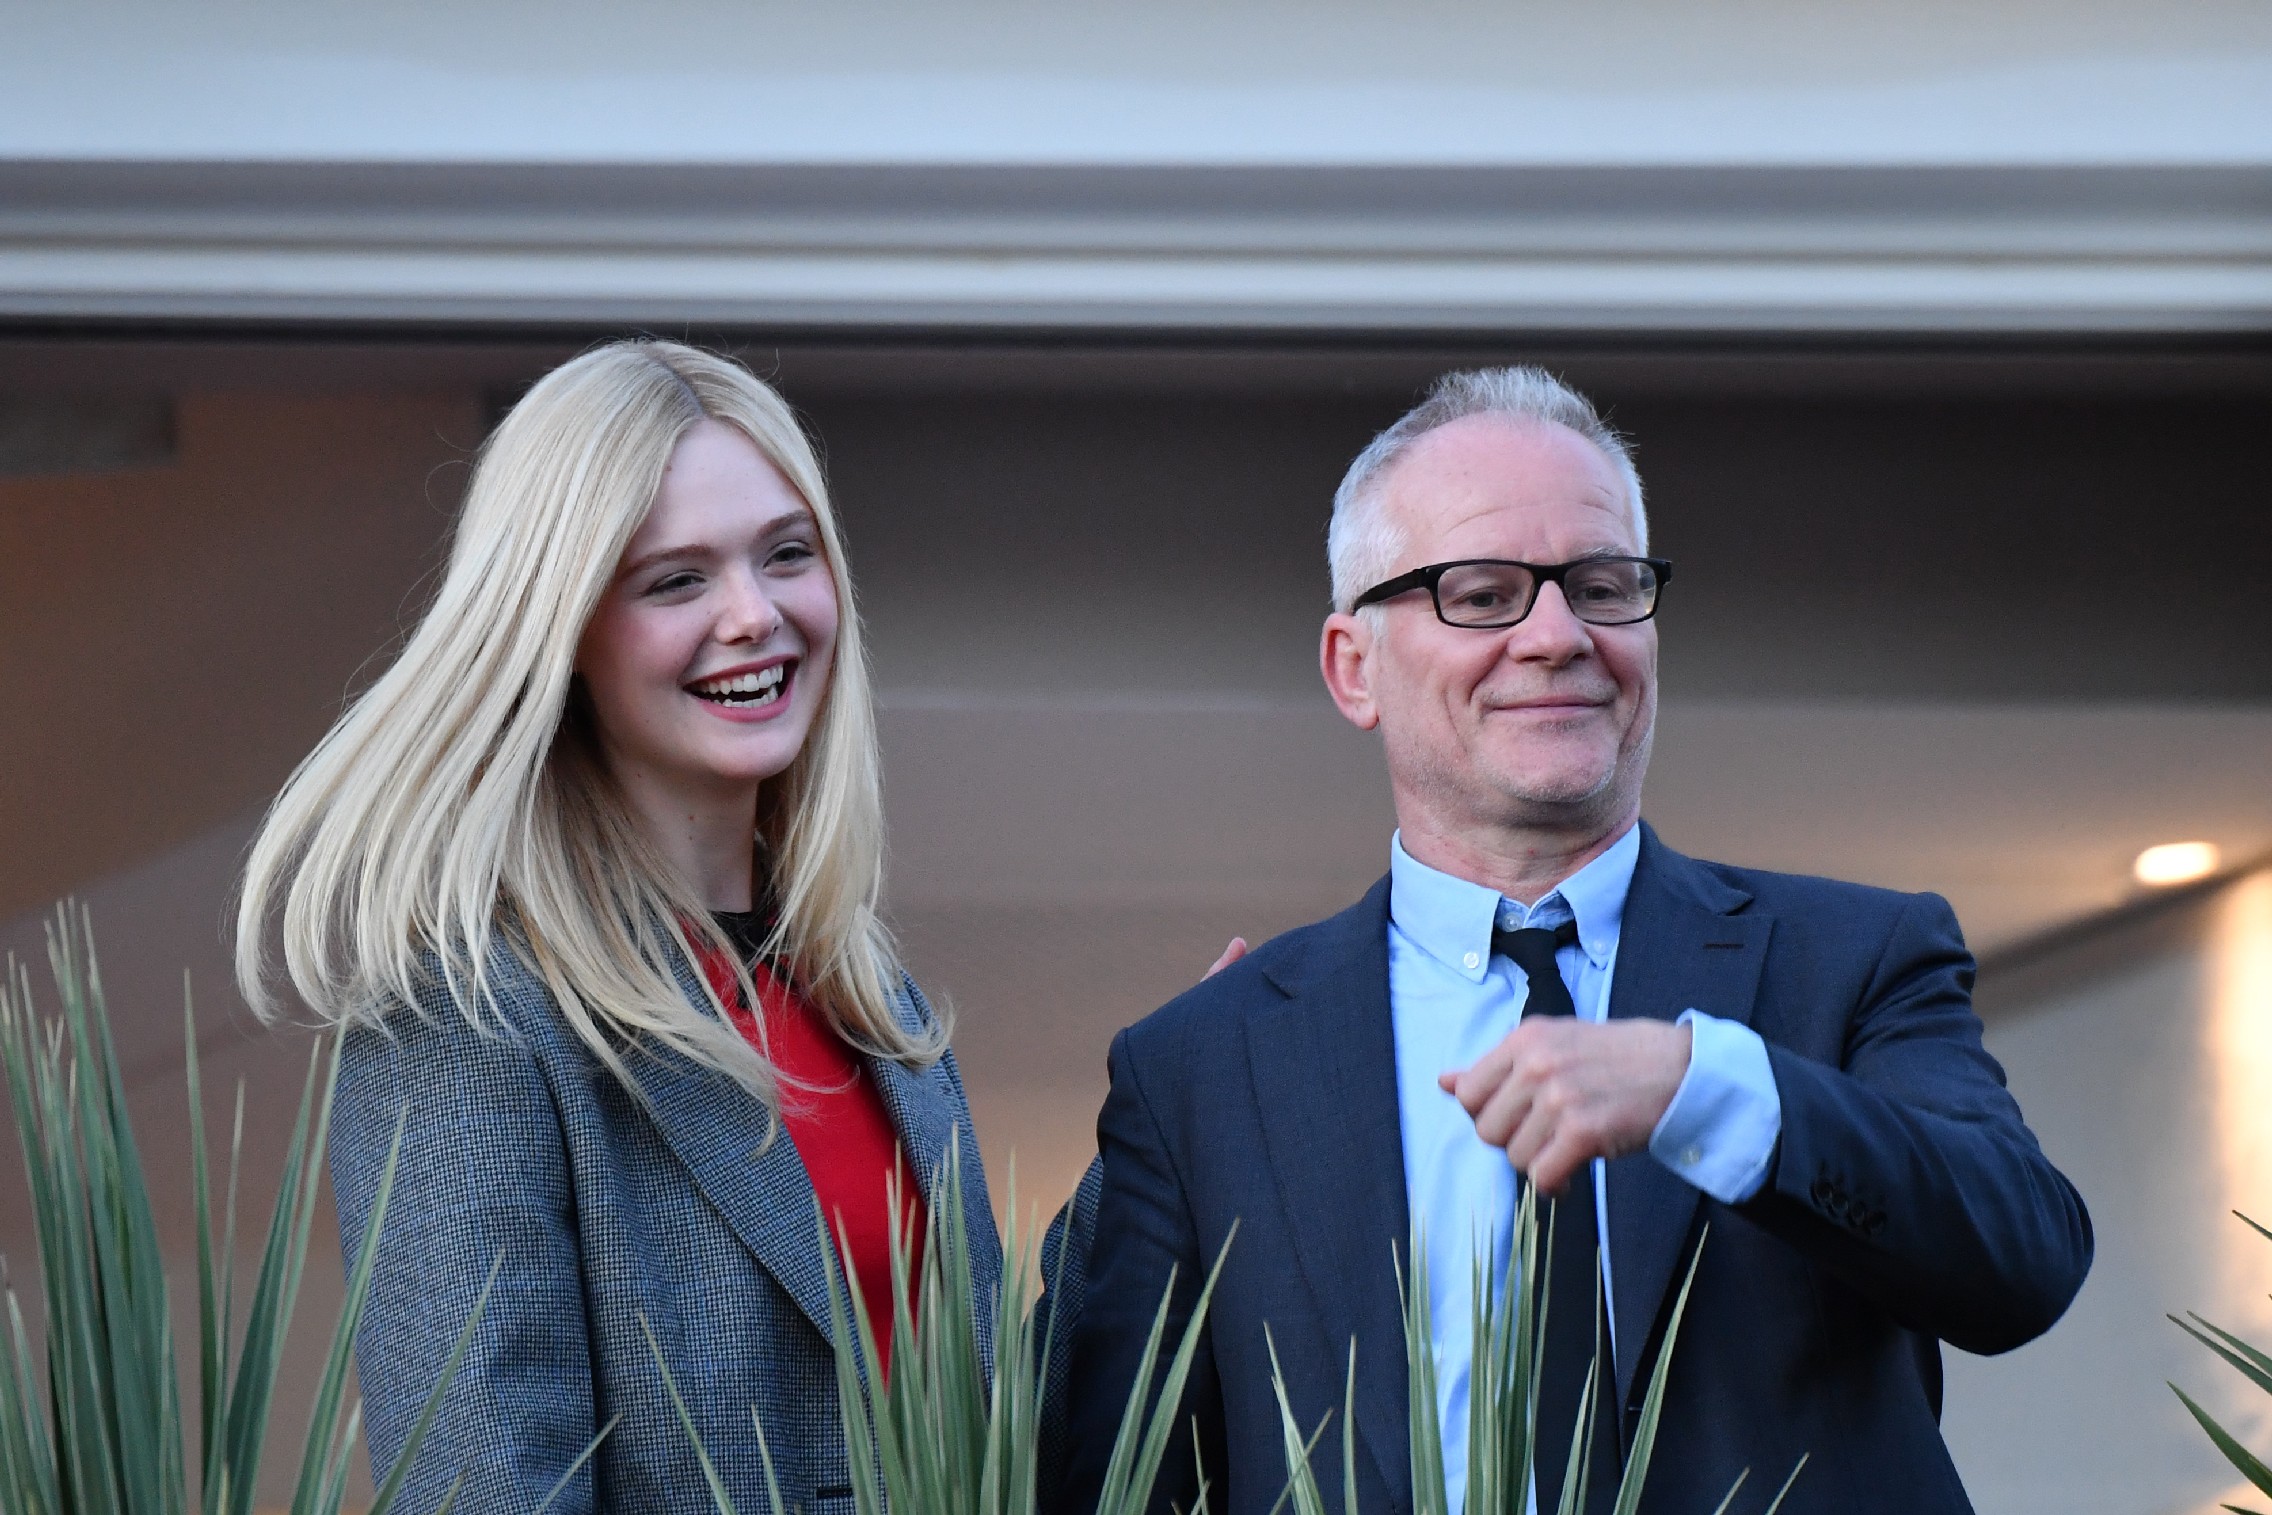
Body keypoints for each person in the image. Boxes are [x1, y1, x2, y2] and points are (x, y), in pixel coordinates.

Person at [1057, 368, 2094, 1515]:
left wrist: (1704, 1088)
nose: (1557, 636)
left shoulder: (1852, 958)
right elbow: (1091, 1475)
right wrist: (1183, 1100)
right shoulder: (1206, 1068)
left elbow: (2022, 1257)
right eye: (1482, 594)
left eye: (1602, 587)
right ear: (1355, 669)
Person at [236, 340, 997, 1512]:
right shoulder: (469, 1022)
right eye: (675, 581)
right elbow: (486, 1490)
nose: (754, 614)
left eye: (786, 554)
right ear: (563, 630)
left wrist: (1177, 1103)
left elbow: (988, 1428)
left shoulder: (865, 1001)